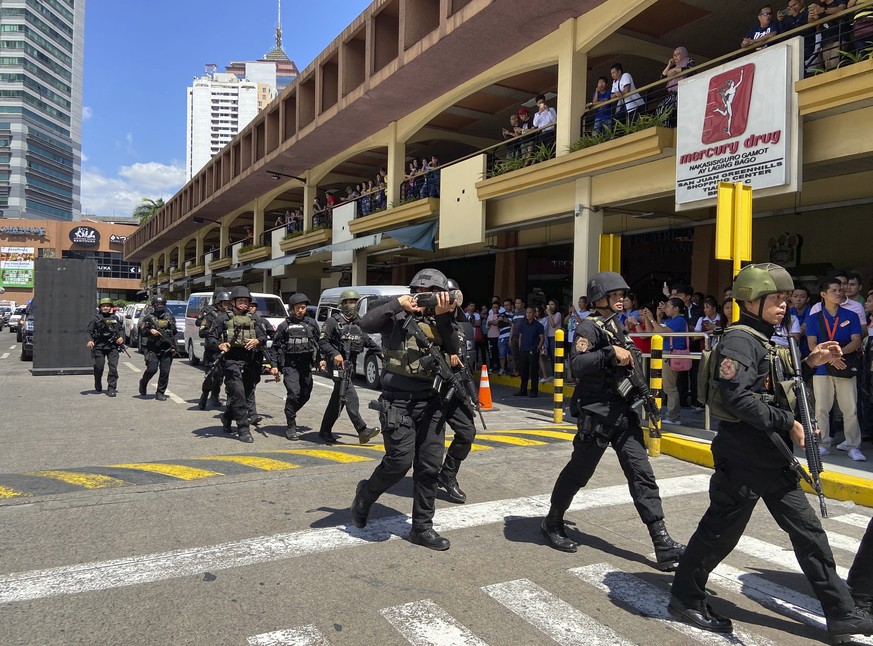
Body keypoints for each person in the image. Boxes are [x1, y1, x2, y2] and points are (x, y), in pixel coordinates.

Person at [668, 263, 873, 642]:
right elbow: (737, 397)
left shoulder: (764, 338)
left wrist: (812, 363)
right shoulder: (740, 340)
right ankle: (685, 596)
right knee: (720, 532)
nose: (783, 306)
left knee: (808, 532)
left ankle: (842, 613)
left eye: (784, 299)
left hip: (769, 454)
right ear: (751, 301)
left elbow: (774, 385)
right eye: (775, 299)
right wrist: (786, 422)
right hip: (744, 451)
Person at [541, 271, 686, 572]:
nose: (622, 299)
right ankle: (553, 521)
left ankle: (661, 542)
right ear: (600, 299)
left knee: (641, 474)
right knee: (578, 472)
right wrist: (609, 353)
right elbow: (577, 365)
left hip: (622, 412)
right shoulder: (588, 327)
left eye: (623, 295)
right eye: (615, 295)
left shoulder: (616, 325)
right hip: (597, 415)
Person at [351, 268, 458, 551]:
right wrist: (396, 304)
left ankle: (422, 528)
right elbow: (365, 323)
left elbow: (455, 349)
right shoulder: (397, 315)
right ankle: (365, 495)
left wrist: (445, 317)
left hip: (432, 403)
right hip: (398, 402)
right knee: (399, 462)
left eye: (431, 293)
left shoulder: (442, 318)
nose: (423, 298)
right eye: (418, 292)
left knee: (430, 467)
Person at [806, 275, 865, 461]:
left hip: (845, 364)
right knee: (821, 408)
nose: (839, 293)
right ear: (823, 294)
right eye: (834, 290)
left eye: (840, 290)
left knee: (850, 408)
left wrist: (838, 355)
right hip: (822, 368)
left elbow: (857, 340)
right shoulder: (815, 317)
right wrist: (831, 358)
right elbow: (811, 343)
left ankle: (853, 445)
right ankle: (823, 443)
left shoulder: (851, 315)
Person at [317, 289, 381, 445]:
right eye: (349, 302)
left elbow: (366, 341)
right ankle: (362, 430)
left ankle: (324, 430)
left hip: (350, 366)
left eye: (355, 303)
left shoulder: (358, 323)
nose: (352, 305)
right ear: (342, 304)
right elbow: (323, 342)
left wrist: (381, 352)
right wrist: (334, 354)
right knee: (350, 396)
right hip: (338, 366)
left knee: (337, 400)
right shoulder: (333, 322)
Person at [437, 281, 480, 505]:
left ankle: (448, 474)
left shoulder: (464, 326)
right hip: (432, 390)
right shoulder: (428, 323)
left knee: (467, 432)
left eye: (454, 297)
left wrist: (473, 394)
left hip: (456, 389)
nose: (451, 302)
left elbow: (467, 362)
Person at [208, 286, 268, 443]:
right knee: (239, 393)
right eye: (240, 301)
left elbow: (264, 337)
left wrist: (257, 341)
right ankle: (243, 428)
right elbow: (211, 338)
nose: (244, 303)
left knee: (244, 394)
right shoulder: (222, 319)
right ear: (233, 302)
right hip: (231, 361)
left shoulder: (255, 319)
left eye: (246, 301)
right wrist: (220, 345)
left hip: (250, 361)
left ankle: (227, 416)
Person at [269, 293, 323, 441]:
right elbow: (274, 347)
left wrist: (321, 359)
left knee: (305, 394)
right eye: (298, 308)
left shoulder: (311, 324)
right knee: (294, 393)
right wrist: (274, 366)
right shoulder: (284, 326)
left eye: (303, 308)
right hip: (290, 366)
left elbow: (319, 344)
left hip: (305, 366)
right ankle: (291, 425)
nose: (301, 310)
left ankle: (290, 410)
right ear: (292, 309)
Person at [138, 295, 178, 401]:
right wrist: (150, 331)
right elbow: (141, 332)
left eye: (161, 304)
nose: (159, 306)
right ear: (153, 305)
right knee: (152, 369)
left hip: (167, 349)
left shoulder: (170, 317)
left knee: (165, 372)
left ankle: (160, 392)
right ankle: (143, 382)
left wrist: (174, 347)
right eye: (157, 304)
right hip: (153, 348)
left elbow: (174, 332)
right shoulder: (148, 317)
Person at [197, 290, 231, 410]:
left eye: (228, 303)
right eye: (224, 303)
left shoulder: (230, 316)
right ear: (219, 303)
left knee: (225, 376)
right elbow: (202, 332)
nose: (227, 305)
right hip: (213, 350)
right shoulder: (211, 315)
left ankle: (217, 397)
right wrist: (213, 330)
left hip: (227, 350)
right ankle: (205, 394)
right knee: (212, 375)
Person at [87, 297, 124, 397]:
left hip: (112, 347)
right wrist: (90, 340)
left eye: (108, 306)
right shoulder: (95, 318)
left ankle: (111, 387)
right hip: (99, 346)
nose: (106, 308)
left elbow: (120, 330)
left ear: (111, 307)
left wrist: (121, 338)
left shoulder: (115, 318)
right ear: (100, 307)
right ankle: (97, 382)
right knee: (99, 367)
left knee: (113, 367)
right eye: (103, 306)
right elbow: (89, 332)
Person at [514, 306, 545, 398]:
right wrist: (520, 347)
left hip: (533, 350)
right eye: (527, 313)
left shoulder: (538, 325)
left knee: (534, 371)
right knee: (523, 371)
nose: (528, 314)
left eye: (530, 312)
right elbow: (520, 336)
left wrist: (538, 348)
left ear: (534, 313)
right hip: (523, 350)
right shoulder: (523, 324)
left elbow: (542, 338)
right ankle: (523, 390)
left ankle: (534, 391)